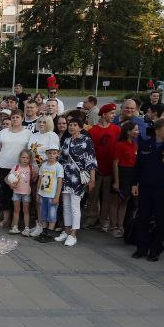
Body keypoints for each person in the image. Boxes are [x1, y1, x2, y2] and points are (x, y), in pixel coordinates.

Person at [130, 117, 164, 260]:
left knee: (160, 219)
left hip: (163, 189)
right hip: (146, 187)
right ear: (157, 131)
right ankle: (142, 247)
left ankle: (156, 249)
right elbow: (138, 166)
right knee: (143, 218)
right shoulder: (146, 144)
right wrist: (134, 183)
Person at [57, 115, 96, 247]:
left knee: (75, 205)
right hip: (66, 175)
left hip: (78, 177)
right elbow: (61, 158)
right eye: (70, 125)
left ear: (80, 127)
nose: (71, 127)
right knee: (66, 204)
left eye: (74, 125)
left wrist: (92, 178)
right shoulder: (67, 140)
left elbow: (91, 160)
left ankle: (74, 233)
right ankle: (67, 230)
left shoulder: (87, 140)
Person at [0, 112, 32, 225]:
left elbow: (30, 153)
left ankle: (17, 220)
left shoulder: (28, 133)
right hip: (3, 167)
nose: (15, 119)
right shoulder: (3, 132)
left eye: (17, 117)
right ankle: (5, 219)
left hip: (20, 169)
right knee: (4, 194)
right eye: (13, 117)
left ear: (22, 118)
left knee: (19, 194)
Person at [87, 104, 120, 230]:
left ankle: (103, 220)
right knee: (93, 195)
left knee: (107, 197)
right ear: (104, 114)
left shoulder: (117, 130)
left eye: (114, 113)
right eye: (111, 113)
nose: (113, 116)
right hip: (96, 169)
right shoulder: (92, 131)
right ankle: (91, 218)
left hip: (110, 169)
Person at [6, 150, 34, 235]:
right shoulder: (16, 167)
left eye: (27, 158)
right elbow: (6, 179)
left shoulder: (31, 168)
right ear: (20, 158)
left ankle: (26, 228)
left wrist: (35, 175)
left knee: (26, 210)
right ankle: (15, 227)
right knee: (16, 210)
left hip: (26, 193)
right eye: (23, 157)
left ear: (30, 159)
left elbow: (34, 179)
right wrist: (10, 184)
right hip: (16, 192)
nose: (25, 159)